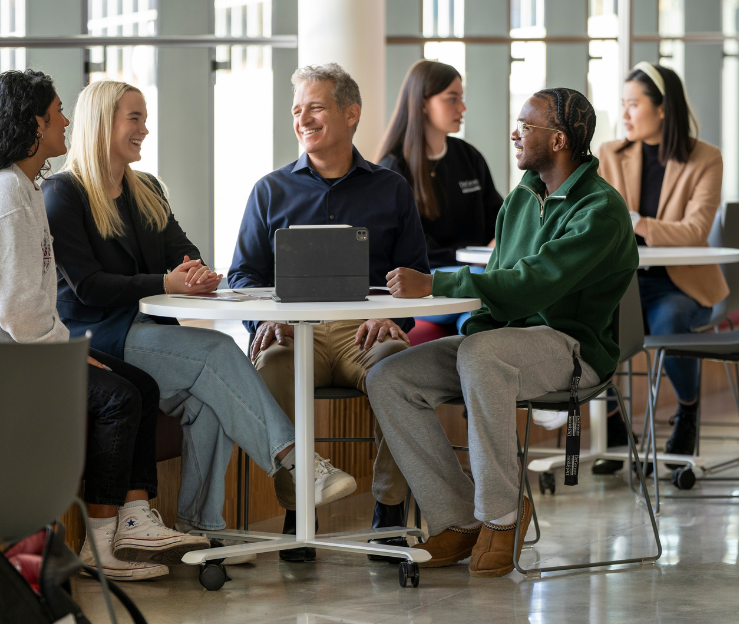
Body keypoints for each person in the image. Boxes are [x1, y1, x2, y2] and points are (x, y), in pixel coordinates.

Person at [42, 80, 356, 559]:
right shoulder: (62, 193)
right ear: (103, 122)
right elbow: (87, 285)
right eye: (135, 118)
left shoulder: (145, 189)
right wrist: (167, 283)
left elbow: (182, 251)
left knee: (208, 403)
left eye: (145, 118)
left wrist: (196, 273)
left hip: (148, 334)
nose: (145, 129)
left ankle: (202, 529)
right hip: (99, 336)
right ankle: (296, 459)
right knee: (217, 352)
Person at [0, 70, 207, 581]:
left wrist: (61, 348)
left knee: (141, 385)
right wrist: (63, 353)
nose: (66, 120)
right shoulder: (6, 199)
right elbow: (19, 310)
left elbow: (27, 308)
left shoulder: (21, 187)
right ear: (35, 124)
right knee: (117, 397)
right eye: (57, 111)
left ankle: (131, 517)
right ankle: (99, 547)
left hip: (22, 346)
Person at [369, 88, 638, 578]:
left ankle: (503, 516)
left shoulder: (600, 210)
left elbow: (531, 284)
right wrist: (472, 327)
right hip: (501, 345)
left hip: (571, 346)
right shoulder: (520, 199)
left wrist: (435, 284)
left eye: (525, 126)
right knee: (389, 378)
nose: (515, 133)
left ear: (558, 140)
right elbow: (497, 287)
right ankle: (459, 519)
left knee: (481, 355)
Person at [227, 63, 430, 562]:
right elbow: (240, 276)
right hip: (298, 331)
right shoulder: (270, 190)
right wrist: (265, 318)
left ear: (350, 113)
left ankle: (389, 508)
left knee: (399, 370)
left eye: (315, 107)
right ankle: (301, 505)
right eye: (297, 111)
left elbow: (416, 275)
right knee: (271, 366)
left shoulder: (391, 189)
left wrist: (394, 317)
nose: (304, 119)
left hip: (367, 331)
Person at [597, 62, 728, 466]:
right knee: (583, 321)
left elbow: (695, 229)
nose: (624, 115)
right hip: (623, 285)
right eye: (622, 104)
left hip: (681, 285)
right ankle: (615, 425)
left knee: (670, 322)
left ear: (663, 109)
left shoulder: (705, 158)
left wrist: (637, 223)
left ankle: (687, 413)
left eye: (633, 104)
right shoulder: (610, 154)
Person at [375, 60, 503, 307]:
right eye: (452, 99)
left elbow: (500, 217)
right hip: (427, 284)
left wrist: (501, 238)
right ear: (423, 103)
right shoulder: (394, 170)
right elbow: (403, 252)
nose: (463, 107)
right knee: (484, 294)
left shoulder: (469, 156)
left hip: (473, 275)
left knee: (480, 310)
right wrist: (470, 261)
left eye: (461, 98)